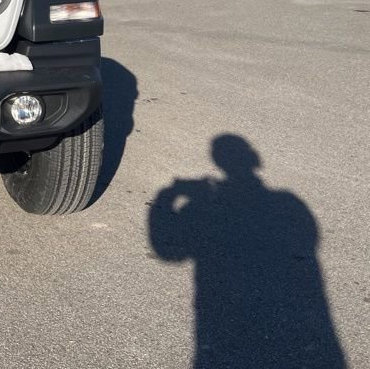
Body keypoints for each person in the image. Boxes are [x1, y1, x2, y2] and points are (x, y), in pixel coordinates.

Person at [148, 135, 346, 369]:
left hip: (217, 320)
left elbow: (167, 252)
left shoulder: (203, 206)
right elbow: (310, 241)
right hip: (311, 325)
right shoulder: (289, 202)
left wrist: (169, 193)